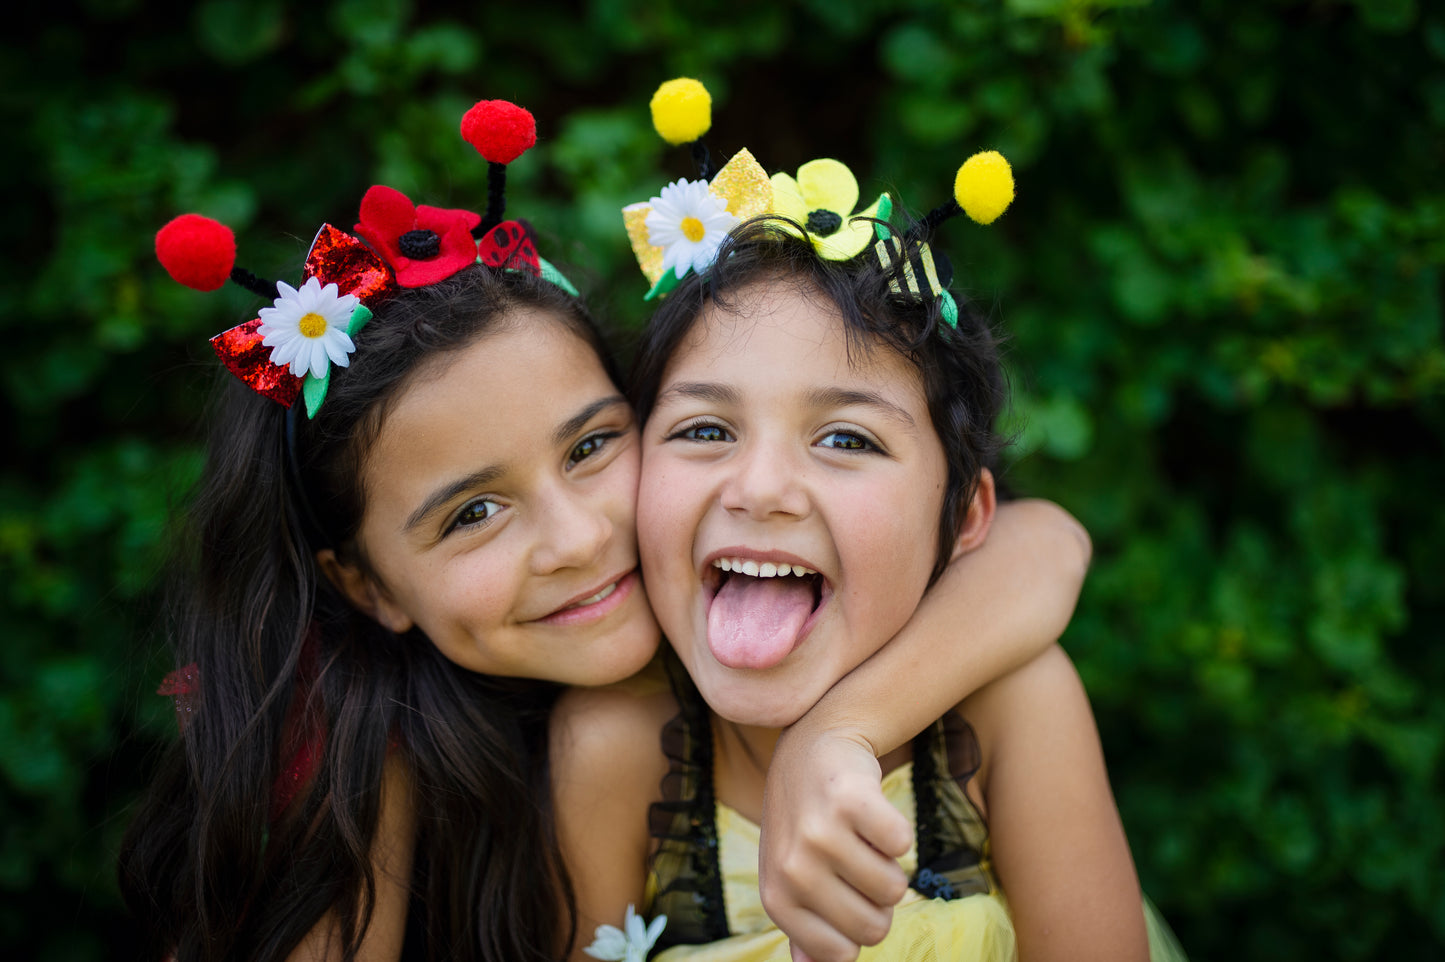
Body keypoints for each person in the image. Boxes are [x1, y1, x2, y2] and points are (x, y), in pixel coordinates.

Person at [120, 100, 1093, 962]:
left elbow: (1038, 541)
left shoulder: (740, 637)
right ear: (364, 584)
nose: (579, 538)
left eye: (590, 445)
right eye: (472, 512)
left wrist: (837, 733)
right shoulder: (363, 768)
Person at [554, 213, 1187, 961]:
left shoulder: (1011, 709)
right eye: (703, 429)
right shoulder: (610, 750)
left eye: (846, 439)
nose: (759, 489)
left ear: (961, 520)